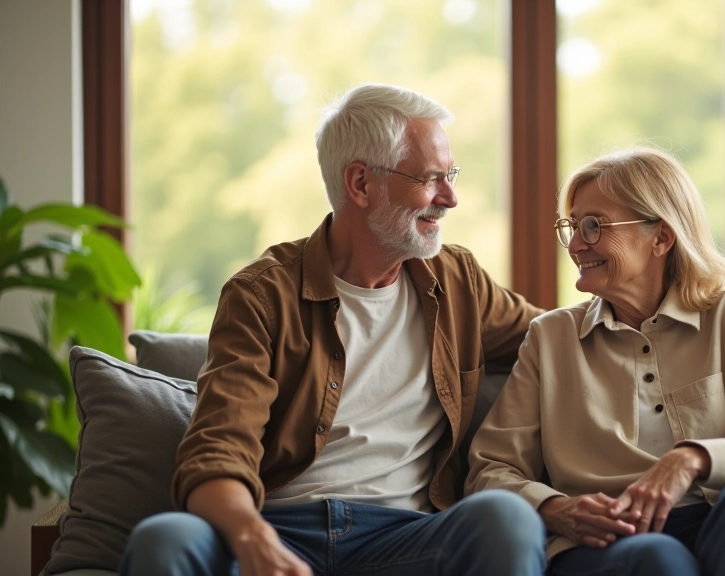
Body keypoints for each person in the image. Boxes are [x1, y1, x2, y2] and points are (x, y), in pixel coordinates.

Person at [120, 84, 547, 576]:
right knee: (165, 540)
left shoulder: (457, 282)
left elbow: (557, 338)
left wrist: (645, 286)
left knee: (504, 518)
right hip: (282, 528)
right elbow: (218, 449)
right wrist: (251, 536)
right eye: (431, 178)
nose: (450, 198)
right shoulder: (262, 295)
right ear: (361, 184)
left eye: (450, 175)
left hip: (406, 537)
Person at [466, 147, 725, 576]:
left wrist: (693, 459)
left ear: (661, 238)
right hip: (619, 540)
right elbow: (490, 469)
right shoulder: (551, 338)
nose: (575, 244)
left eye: (593, 226)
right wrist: (556, 508)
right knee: (656, 561)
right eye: (572, 226)